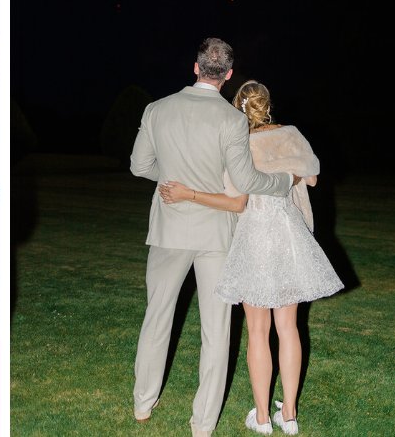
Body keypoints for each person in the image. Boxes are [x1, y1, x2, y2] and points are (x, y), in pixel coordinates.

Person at [131, 38, 295, 437]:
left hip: (170, 227)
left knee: (156, 318)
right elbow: (246, 181)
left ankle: (142, 404)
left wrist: (173, 180)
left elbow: (139, 166)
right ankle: (202, 424)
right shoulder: (231, 120)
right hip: (216, 236)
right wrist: (284, 180)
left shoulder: (157, 109)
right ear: (229, 75)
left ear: (195, 67)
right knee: (216, 331)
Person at [159, 79, 343, 436]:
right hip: (288, 234)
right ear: (268, 104)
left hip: (253, 237)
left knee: (258, 330)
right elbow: (314, 177)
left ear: (238, 107)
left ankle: (262, 417)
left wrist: (189, 193)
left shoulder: (237, 142)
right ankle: (288, 415)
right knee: (288, 327)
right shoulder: (290, 133)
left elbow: (234, 199)